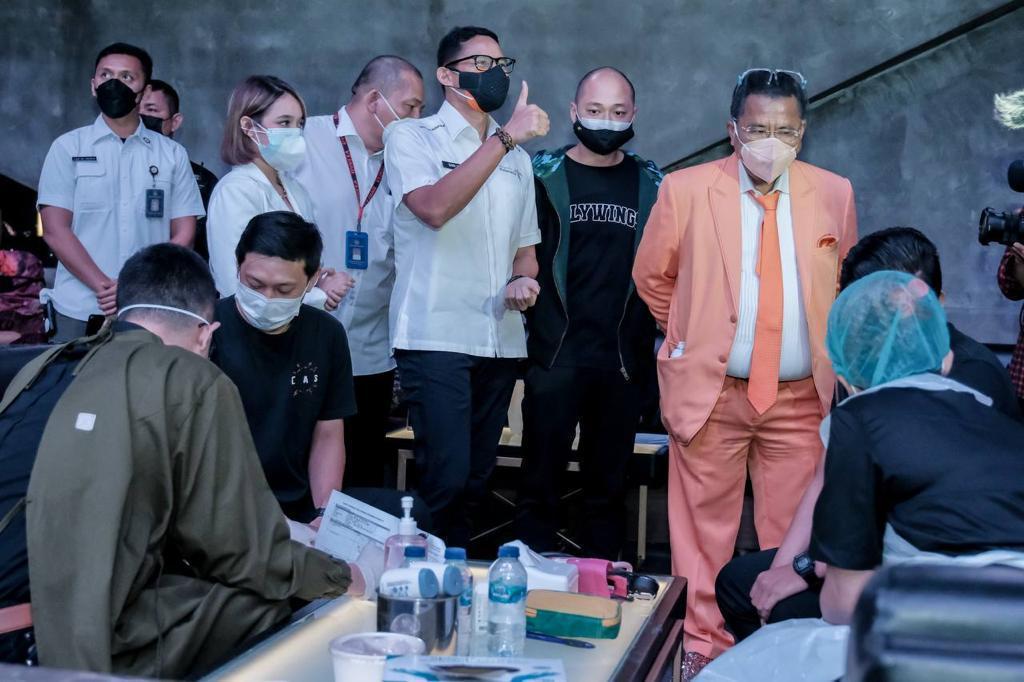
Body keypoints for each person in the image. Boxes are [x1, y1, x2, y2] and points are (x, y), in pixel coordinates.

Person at [0, 243, 372, 676]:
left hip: (26, 617)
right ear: (205, 335)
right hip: (46, 641)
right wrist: (349, 578)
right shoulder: (190, 376)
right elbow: (247, 554)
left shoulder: (47, 365)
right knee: (268, 600)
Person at [632, 68, 858, 677]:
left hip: (800, 398)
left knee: (792, 537)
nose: (771, 141)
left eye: (785, 130)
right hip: (713, 391)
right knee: (701, 537)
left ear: (803, 132)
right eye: (758, 129)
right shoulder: (684, 190)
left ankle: (778, 653)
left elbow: (842, 285)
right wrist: (692, 335)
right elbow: (652, 278)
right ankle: (702, 649)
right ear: (733, 130)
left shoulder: (834, 192)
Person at [700, 270, 1024, 681]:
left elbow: (845, 602)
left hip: (940, 628)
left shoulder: (859, 420)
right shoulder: (998, 420)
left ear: (846, 377)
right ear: (945, 359)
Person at [384, 25, 549, 544]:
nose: (494, 74)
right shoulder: (412, 137)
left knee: (477, 480)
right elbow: (433, 208)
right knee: (446, 477)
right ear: (446, 75)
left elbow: (526, 252)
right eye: (480, 64)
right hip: (436, 336)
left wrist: (523, 281)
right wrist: (505, 138)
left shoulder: (519, 160)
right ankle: (419, 576)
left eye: (500, 64)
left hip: (499, 338)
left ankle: (454, 576)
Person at [514, 67, 660, 559]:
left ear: (634, 115)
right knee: (538, 485)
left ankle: (603, 588)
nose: (606, 121)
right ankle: (529, 582)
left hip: (621, 363)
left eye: (618, 112)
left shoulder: (653, 185)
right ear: (574, 111)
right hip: (556, 355)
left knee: (608, 492)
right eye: (595, 110)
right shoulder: (540, 176)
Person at [295, 56, 424, 487]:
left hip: (371, 351)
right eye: (409, 107)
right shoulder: (306, 140)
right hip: (304, 338)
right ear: (374, 100)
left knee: (362, 473)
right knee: (302, 469)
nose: (416, 119)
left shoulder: (408, 159)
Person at [37, 42, 204, 342]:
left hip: (150, 309)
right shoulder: (67, 148)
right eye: (106, 75)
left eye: (127, 77)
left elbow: (184, 233)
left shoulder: (172, 154)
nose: (114, 84)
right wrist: (103, 286)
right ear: (93, 85)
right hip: (79, 309)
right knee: (76, 374)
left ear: (144, 90)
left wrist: (137, 287)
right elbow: (55, 230)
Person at [206, 75, 350, 308]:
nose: (295, 132)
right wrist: (321, 295)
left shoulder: (295, 190)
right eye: (284, 123)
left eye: (299, 124)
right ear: (248, 127)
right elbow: (235, 284)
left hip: (294, 326)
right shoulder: (235, 191)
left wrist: (319, 280)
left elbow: (301, 267)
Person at [140, 78, 219, 261]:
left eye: (151, 110)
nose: (140, 118)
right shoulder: (112, 169)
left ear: (175, 122)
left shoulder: (203, 181)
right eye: (135, 111)